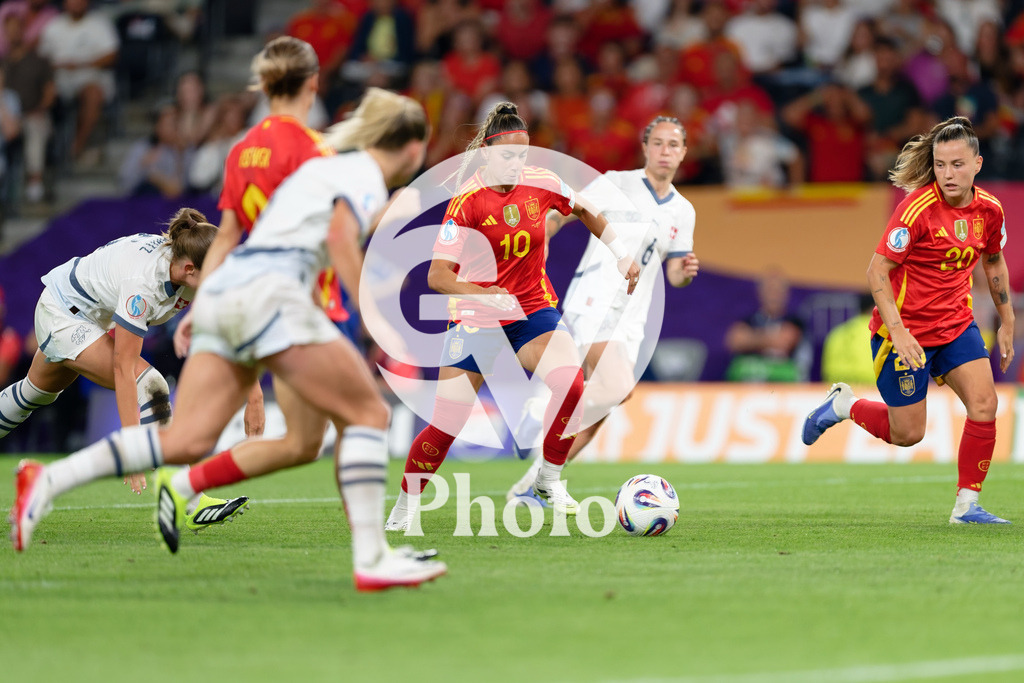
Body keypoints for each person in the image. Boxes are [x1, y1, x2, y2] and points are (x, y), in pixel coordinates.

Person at [10, 87, 446, 592]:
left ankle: (52, 480)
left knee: (201, 440)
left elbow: (240, 231)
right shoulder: (363, 174)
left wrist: (213, 323)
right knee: (370, 414)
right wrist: (375, 316)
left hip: (232, 298)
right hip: (271, 300)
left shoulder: (324, 168)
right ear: (413, 149)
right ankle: (373, 558)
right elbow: (337, 239)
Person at [384, 101, 641, 529]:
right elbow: (437, 277)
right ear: (487, 153)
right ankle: (405, 508)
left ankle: (548, 479)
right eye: (508, 156)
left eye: (522, 155)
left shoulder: (542, 182)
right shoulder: (465, 202)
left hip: (532, 308)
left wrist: (620, 253)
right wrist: (483, 296)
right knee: (447, 424)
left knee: (571, 383)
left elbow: (584, 208)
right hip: (475, 316)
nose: (516, 164)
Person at [803, 116, 1015, 525]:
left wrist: (1006, 320)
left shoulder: (989, 210)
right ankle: (844, 405)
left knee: (985, 404)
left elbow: (994, 261)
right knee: (907, 434)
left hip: (955, 326)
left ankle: (967, 507)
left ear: (977, 165)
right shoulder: (916, 209)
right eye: (940, 164)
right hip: (904, 333)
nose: (947, 174)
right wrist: (898, 332)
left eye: (957, 164)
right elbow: (876, 272)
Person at [0, 207, 242, 521]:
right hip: (62, 313)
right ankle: (189, 500)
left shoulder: (181, 261)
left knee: (34, 393)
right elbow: (123, 367)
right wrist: (133, 452)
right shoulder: (143, 285)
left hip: (80, 311)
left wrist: (254, 396)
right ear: (190, 269)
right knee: (150, 383)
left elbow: (228, 327)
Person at [507, 115, 699, 501]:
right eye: (658, 143)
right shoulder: (617, 182)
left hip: (633, 315)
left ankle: (534, 485)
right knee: (616, 388)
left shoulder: (683, 210)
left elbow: (675, 273)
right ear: (645, 148)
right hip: (595, 299)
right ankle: (538, 414)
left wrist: (686, 272)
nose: (665, 151)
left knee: (598, 414)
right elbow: (562, 212)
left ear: (683, 153)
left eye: (673, 145)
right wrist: (541, 235)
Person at [724, 267, 808, 382]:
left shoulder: (795, 321)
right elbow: (735, 341)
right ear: (760, 292)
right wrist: (770, 339)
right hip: (749, 383)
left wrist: (751, 339)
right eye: (769, 289)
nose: (773, 295)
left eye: (777, 290)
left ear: (786, 293)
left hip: (783, 385)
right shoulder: (749, 319)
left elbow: (783, 342)